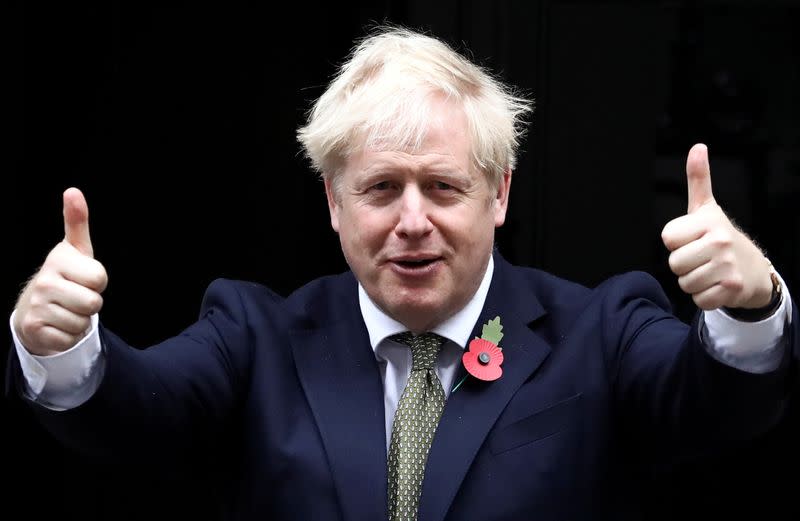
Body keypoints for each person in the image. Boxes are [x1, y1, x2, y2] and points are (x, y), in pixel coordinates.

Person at [6, 25, 797, 521]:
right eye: (381, 188)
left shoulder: (602, 328)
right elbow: (138, 412)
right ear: (333, 203)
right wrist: (62, 346)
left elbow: (714, 403)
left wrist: (748, 308)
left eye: (443, 186)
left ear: (500, 193)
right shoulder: (256, 336)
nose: (411, 220)